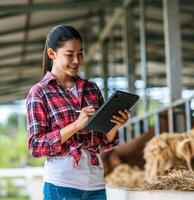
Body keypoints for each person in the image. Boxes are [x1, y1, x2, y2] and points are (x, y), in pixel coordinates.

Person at [26, 25, 130, 200]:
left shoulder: (92, 89)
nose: (77, 60)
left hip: (96, 185)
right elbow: (36, 146)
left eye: (80, 53)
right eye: (69, 54)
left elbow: (104, 143)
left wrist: (114, 125)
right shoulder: (39, 92)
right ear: (52, 54)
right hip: (61, 186)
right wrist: (76, 125)